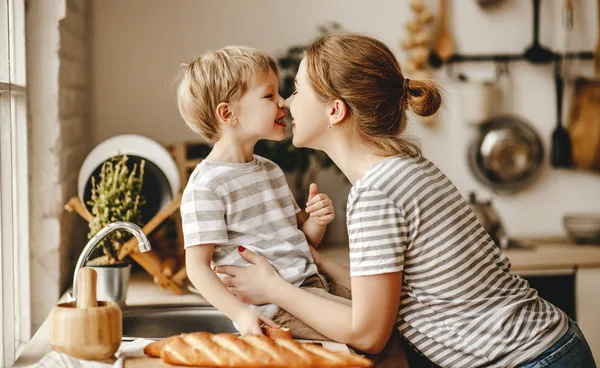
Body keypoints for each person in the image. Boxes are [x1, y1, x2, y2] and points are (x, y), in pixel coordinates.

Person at [214, 34, 597, 368]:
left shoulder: (376, 193)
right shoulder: (402, 168)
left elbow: (367, 333)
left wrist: (274, 289)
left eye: (296, 90)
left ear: (335, 110)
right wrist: (318, 264)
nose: (286, 104)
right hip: (549, 348)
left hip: (529, 360)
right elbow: (393, 297)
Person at [176, 45, 353, 341]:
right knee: (371, 339)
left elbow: (301, 241)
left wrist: (316, 221)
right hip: (277, 309)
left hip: (311, 288)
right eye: (269, 95)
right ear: (228, 113)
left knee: (383, 326)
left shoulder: (270, 170)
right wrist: (240, 313)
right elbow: (196, 268)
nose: (283, 103)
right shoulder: (206, 186)